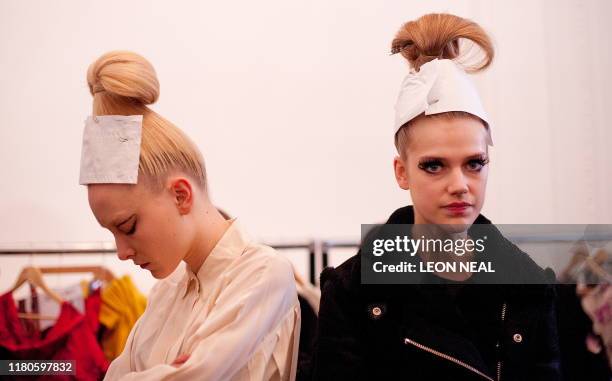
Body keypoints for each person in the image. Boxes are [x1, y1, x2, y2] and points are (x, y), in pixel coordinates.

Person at [312, 13, 560, 380]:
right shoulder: (354, 295)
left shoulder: (529, 289)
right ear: (401, 172)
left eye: (475, 163)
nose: (459, 184)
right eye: (434, 166)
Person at [80, 51, 300, 380]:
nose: (121, 252)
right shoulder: (165, 294)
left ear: (181, 195)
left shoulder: (263, 274)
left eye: (128, 227)